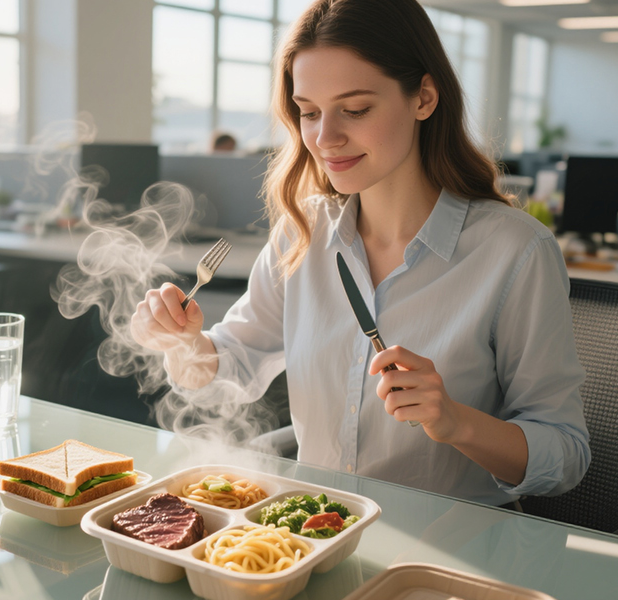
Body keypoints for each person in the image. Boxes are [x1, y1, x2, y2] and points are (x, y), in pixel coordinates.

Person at [130, 0, 588, 507]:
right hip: (315, 541)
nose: (325, 138)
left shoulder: (515, 252)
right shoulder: (301, 233)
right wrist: (183, 342)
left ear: (424, 97)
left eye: (355, 109)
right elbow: (231, 368)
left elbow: (565, 455)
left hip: (448, 556)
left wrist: (455, 421)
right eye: (308, 112)